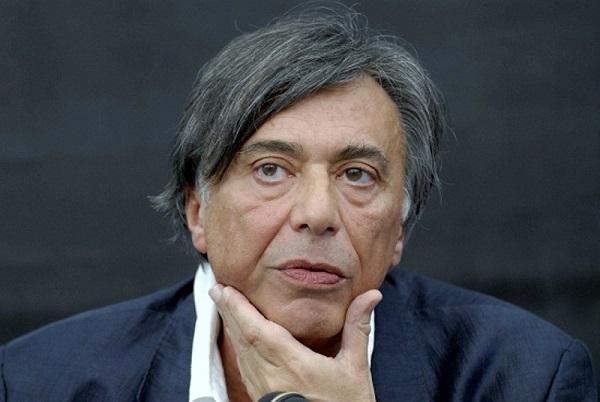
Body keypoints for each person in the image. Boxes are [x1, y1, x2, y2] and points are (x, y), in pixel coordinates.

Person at [0, 7, 596, 402]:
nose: (317, 213)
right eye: (270, 169)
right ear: (198, 211)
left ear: (399, 230)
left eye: (357, 175)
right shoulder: (37, 382)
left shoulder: (524, 377)